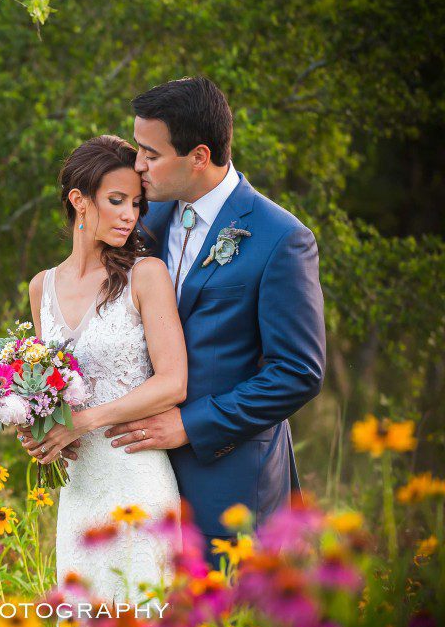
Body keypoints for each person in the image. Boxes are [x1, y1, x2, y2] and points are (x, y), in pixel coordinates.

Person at [102, 76, 327, 568]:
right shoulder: (145, 223)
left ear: (199, 156)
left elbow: (298, 373)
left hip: (232, 475)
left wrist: (190, 424)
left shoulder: (281, 239)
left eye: (150, 154)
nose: (137, 166)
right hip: (142, 473)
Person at [22, 134, 186, 627]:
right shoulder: (41, 286)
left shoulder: (146, 274)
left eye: (137, 204)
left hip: (136, 480)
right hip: (79, 489)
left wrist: (85, 421)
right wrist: (36, 425)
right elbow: (49, 387)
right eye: (117, 201)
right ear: (79, 201)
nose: (130, 217)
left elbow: (172, 382)